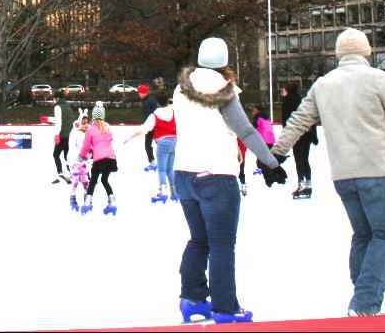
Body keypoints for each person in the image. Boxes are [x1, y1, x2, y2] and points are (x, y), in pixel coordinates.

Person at [271, 28, 385, 318]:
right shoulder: (381, 80)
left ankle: (361, 298)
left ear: (338, 54)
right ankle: (365, 304)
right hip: (377, 170)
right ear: (366, 52)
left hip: (343, 175)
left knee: (363, 235)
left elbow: (299, 120)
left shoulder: (324, 85)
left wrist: (277, 153)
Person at [174, 37, 285, 325]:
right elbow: (245, 131)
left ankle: (192, 298)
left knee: (199, 240)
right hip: (216, 176)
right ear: (224, 60)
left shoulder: (180, 88)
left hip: (184, 174)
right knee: (222, 244)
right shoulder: (224, 90)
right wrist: (270, 162)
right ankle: (225, 307)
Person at [125, 90, 177, 203]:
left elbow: (143, 129)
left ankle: (163, 192)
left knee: (162, 169)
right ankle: (175, 192)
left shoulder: (155, 115)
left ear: (157, 103)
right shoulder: (173, 111)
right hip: (174, 142)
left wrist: (130, 137)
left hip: (163, 143)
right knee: (170, 169)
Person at [78, 101, 119, 215]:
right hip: (111, 159)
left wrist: (81, 156)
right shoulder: (107, 128)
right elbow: (108, 141)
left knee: (93, 181)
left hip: (99, 160)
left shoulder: (90, 130)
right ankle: (112, 201)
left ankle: (87, 202)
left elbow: (86, 146)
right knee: (104, 180)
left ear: (93, 117)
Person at [280, 84, 318, 199]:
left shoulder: (287, 102)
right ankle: (308, 185)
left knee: (299, 160)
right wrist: (313, 135)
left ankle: (301, 184)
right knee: (305, 159)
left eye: (283, 89)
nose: (282, 91)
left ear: (288, 90)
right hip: (306, 134)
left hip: (297, 135)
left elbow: (287, 120)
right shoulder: (302, 101)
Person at [66, 111, 90, 211]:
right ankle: (72, 199)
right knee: (75, 180)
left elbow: (89, 148)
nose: (85, 125)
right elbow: (72, 148)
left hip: (84, 162)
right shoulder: (74, 133)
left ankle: (87, 198)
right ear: (79, 123)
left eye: (86, 122)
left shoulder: (88, 134)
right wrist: (79, 157)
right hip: (74, 161)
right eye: (83, 123)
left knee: (85, 181)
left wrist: (88, 156)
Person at [50, 94, 74, 183]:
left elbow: (59, 122)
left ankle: (60, 174)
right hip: (68, 134)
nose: (53, 101)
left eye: (53, 99)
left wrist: (57, 135)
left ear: (57, 98)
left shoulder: (58, 107)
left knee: (56, 155)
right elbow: (70, 119)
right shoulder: (67, 105)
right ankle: (71, 173)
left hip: (61, 135)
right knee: (66, 155)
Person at [139, 84, 158, 172]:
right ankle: (155, 163)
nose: (139, 94)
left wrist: (146, 127)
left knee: (148, 145)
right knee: (158, 144)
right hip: (154, 125)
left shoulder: (148, 101)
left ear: (144, 93)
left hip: (152, 126)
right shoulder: (149, 99)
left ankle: (153, 163)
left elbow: (149, 116)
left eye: (140, 92)